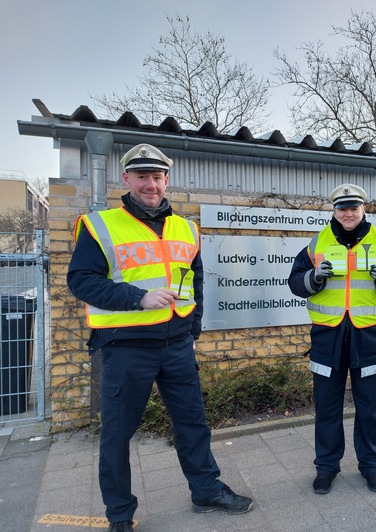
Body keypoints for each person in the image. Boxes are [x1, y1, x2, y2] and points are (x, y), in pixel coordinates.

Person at [67, 144, 253, 532]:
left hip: (176, 344)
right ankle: (120, 514)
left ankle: (206, 492)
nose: (151, 184)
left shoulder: (186, 227)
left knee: (193, 423)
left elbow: (196, 280)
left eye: (157, 177)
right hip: (125, 347)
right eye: (142, 177)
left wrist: (194, 324)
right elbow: (81, 282)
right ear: (127, 179)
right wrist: (138, 297)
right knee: (117, 434)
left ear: (166, 180)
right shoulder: (99, 225)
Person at [288, 183, 376, 495]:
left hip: (370, 338)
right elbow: (294, 282)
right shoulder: (317, 242)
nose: (348, 213)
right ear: (334, 210)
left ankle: (371, 466)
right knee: (327, 408)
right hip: (328, 338)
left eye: (353, 208)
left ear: (362, 209)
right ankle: (326, 468)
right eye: (342, 208)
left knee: (370, 408)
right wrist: (313, 278)